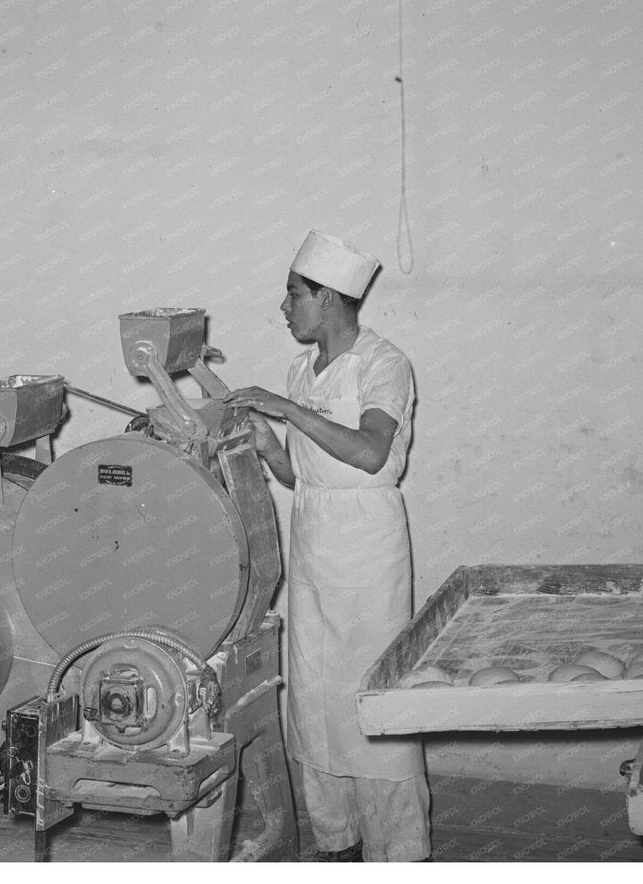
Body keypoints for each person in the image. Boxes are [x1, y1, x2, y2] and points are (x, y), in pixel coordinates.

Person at [225, 230, 430, 863]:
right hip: (313, 539)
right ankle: (337, 843)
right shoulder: (301, 368)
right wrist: (268, 443)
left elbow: (369, 453)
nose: (284, 308)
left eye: (294, 294)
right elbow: (301, 474)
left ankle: (397, 855)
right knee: (313, 702)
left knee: (369, 703)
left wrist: (286, 408)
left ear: (330, 298)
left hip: (366, 551)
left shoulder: (383, 363)